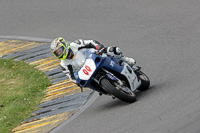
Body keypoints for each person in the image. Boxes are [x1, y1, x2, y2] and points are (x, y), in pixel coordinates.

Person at [50, 37, 136, 82]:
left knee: (114, 50)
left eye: (59, 50)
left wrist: (98, 47)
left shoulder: (75, 44)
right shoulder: (63, 64)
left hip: (95, 55)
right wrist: (77, 81)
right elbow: (71, 77)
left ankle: (125, 60)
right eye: (56, 53)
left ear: (64, 46)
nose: (59, 53)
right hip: (86, 70)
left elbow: (90, 42)